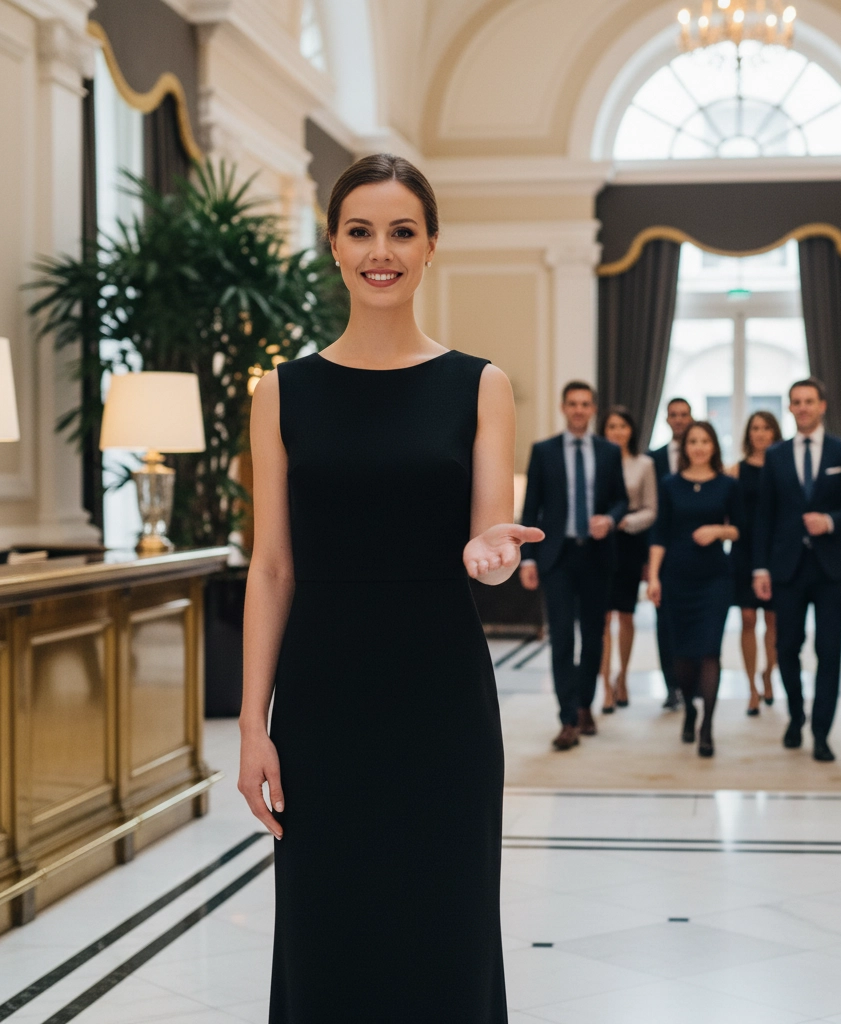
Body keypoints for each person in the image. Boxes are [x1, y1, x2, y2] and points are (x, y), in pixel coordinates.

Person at [238, 153, 541, 1022]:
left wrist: (492, 556)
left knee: (443, 929)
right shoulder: (281, 392)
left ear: (431, 247)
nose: (383, 250)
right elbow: (273, 567)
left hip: (440, 698)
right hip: (322, 704)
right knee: (324, 929)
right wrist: (254, 727)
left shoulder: (479, 385)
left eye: (402, 232)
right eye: (361, 231)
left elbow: (491, 537)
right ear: (333, 245)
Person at [753, 378, 841, 763]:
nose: (802, 407)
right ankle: (796, 714)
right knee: (786, 647)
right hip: (787, 568)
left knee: (829, 651)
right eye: (796, 402)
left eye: (809, 401)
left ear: (822, 405)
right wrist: (760, 568)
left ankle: (821, 732)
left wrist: (832, 520)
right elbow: (764, 518)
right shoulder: (776, 455)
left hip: (830, 568)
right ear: (789, 409)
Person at [519, 383, 629, 750]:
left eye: (585, 404)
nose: (579, 410)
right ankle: (567, 718)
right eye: (573, 404)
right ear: (564, 408)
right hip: (557, 556)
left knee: (594, 637)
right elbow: (530, 507)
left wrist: (610, 520)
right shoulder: (544, 451)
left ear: (593, 409)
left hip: (597, 556)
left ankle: (585, 705)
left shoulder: (609, 452)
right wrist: (528, 559)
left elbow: (621, 500)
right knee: (562, 637)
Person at [647, 422, 741, 757]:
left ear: (714, 446)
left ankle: (707, 728)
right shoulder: (670, 484)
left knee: (710, 652)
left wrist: (718, 530)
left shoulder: (728, 485)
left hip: (715, 578)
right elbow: (660, 535)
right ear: (684, 447)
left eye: (705, 441)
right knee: (683, 656)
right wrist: (654, 577)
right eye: (693, 441)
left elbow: (740, 530)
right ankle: (689, 709)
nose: (699, 447)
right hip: (676, 577)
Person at [598, 406, 657, 713]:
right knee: (603, 617)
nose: (617, 431)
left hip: (630, 541)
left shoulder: (644, 464)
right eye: (612, 426)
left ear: (631, 430)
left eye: (622, 426)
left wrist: (626, 522)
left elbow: (651, 508)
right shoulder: (596, 460)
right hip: (600, 544)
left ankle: (623, 676)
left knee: (626, 615)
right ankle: (605, 683)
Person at [727, 411, 782, 716]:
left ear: (775, 432)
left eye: (766, 428)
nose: (760, 434)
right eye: (755, 428)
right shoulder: (735, 470)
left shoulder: (782, 467)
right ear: (748, 434)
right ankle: (750, 687)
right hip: (742, 552)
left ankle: (769, 676)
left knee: (773, 621)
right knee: (747, 619)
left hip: (775, 553)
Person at [648, 397, 694, 709]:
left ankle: (693, 682)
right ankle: (671, 687)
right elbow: (652, 512)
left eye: (683, 414)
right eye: (673, 415)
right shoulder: (653, 459)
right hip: (663, 552)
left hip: (697, 552)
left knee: (692, 622)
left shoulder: (703, 456)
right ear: (666, 419)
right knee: (665, 624)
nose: (678, 419)